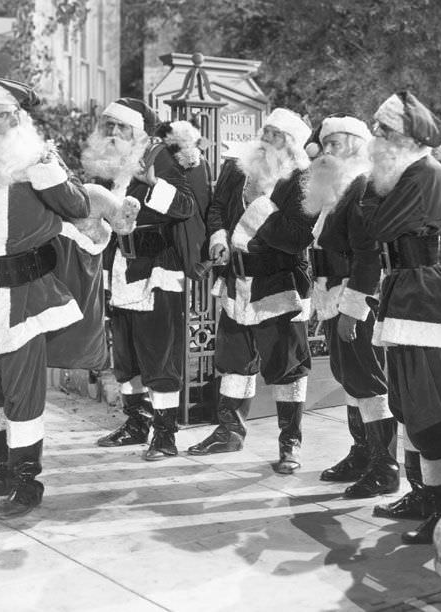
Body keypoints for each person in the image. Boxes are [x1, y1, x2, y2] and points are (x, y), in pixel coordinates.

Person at [0, 78, 92, 519]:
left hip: (26, 294)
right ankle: (2, 470)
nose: (15, 119)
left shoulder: (36, 158)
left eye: (17, 112)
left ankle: (28, 480)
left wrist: (46, 168)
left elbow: (79, 207)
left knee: (22, 390)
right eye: (4, 111)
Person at [360, 91, 441, 544]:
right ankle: (424, 493)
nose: (375, 136)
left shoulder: (423, 173)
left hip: (426, 297)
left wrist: (365, 192)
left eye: (383, 129)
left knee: (429, 404)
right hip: (407, 291)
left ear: (405, 137)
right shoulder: (407, 172)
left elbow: (374, 227)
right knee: (407, 401)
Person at [187, 108, 315, 475]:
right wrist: (219, 237)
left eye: (276, 135)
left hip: (280, 284)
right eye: (266, 131)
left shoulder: (303, 180)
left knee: (288, 366)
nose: (266, 140)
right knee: (234, 360)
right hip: (236, 282)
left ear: (291, 145)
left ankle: (290, 443)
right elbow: (216, 209)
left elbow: (296, 238)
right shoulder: (237, 166)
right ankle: (229, 430)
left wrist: (261, 204)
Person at [82, 98, 199, 461]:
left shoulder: (161, 157)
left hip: (157, 271)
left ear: (140, 131)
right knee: (127, 356)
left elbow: (186, 207)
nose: (113, 133)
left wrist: (150, 186)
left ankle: (165, 435)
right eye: (109, 126)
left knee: (159, 356)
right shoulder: (105, 165)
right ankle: (137, 423)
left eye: (122, 127)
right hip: (119, 269)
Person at [302, 115, 398, 498]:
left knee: (369, 382)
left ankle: (385, 467)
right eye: (324, 145)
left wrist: (354, 311)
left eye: (334, 145)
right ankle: (362, 454)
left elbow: (368, 256)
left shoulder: (361, 186)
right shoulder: (338, 188)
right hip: (333, 297)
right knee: (350, 378)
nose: (326, 152)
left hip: (352, 300)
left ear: (357, 145)